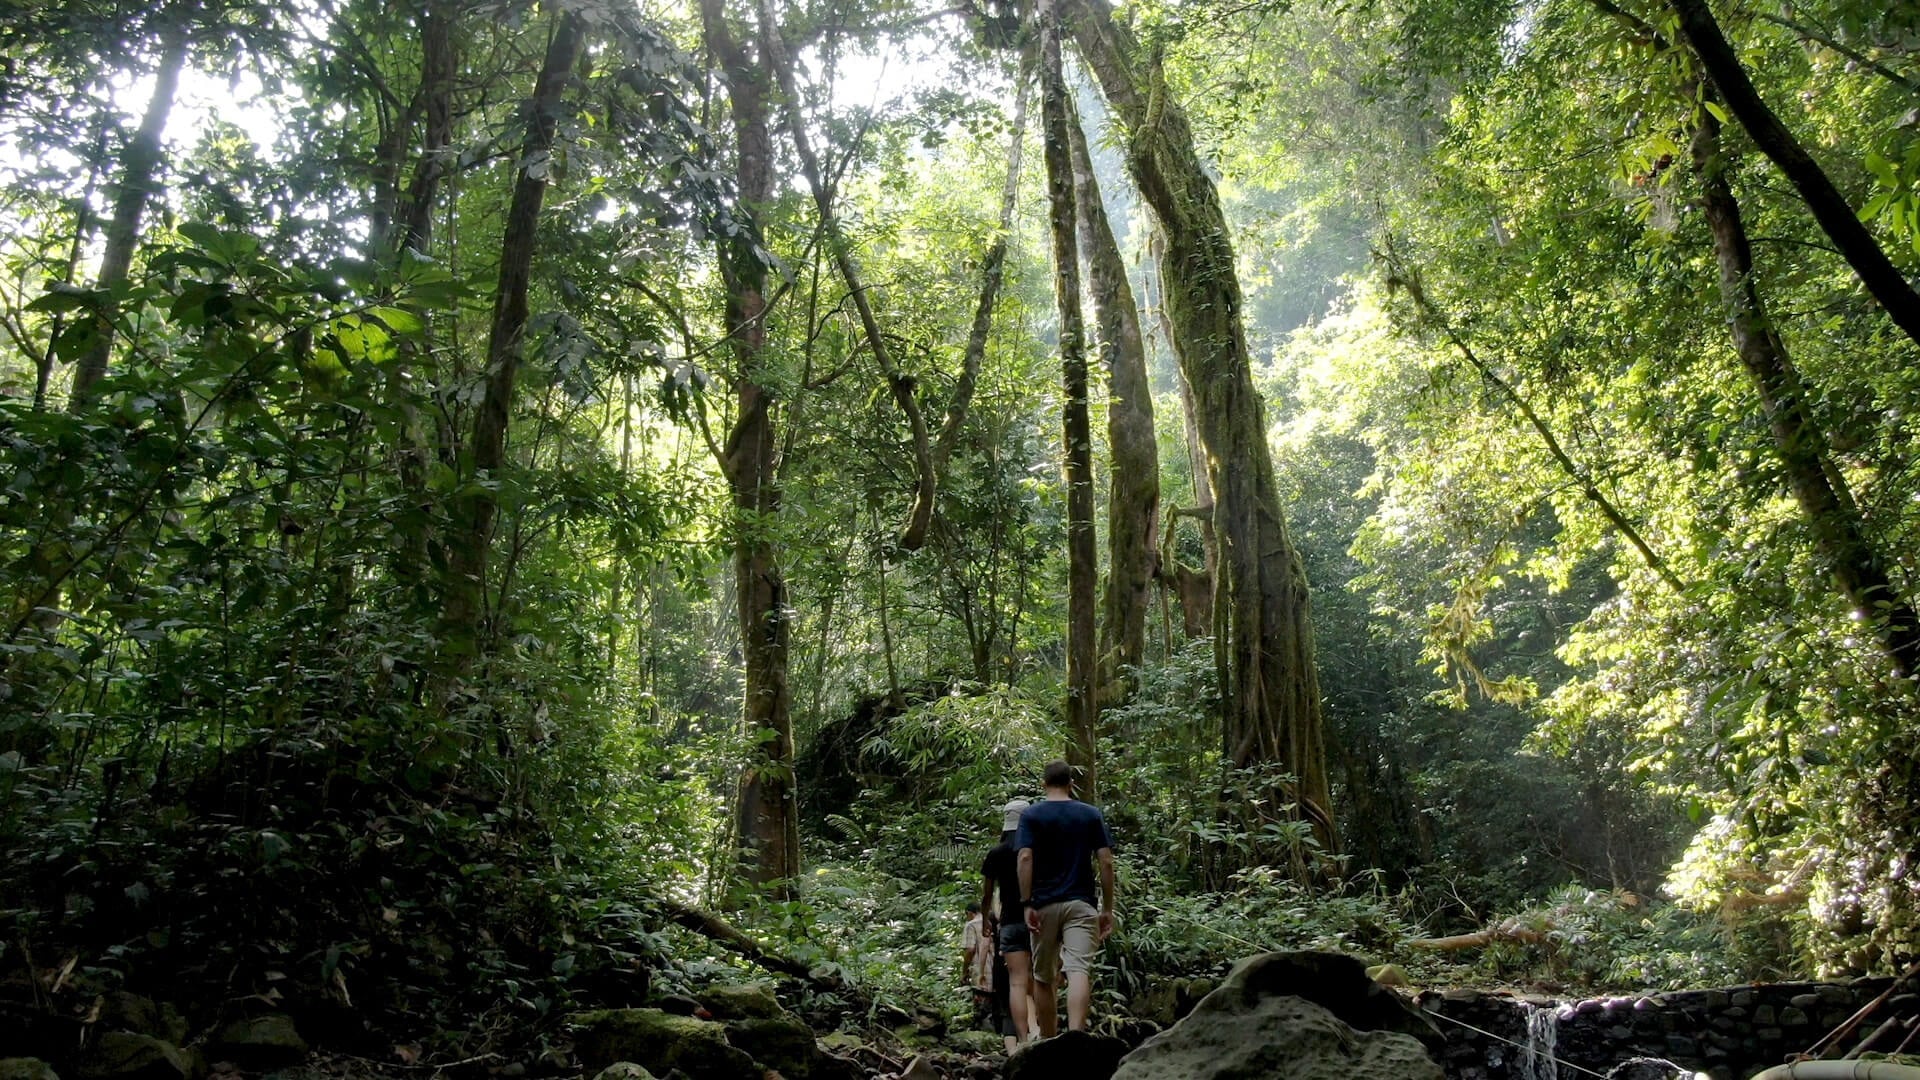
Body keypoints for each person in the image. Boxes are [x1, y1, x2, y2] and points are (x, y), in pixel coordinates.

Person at [1017, 760, 1115, 1036]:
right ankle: (1075, 1036)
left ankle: (1049, 1042)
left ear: (1044, 784)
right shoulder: (1090, 814)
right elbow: (1106, 861)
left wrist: (1027, 904)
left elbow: (1025, 857)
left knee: (1043, 977)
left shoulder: (1032, 815)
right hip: (1081, 904)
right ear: (1071, 784)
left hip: (1043, 904)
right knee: (1078, 969)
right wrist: (1107, 908)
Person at [981, 798, 1035, 1048]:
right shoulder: (1037, 849)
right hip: (1038, 920)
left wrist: (985, 921)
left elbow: (987, 894)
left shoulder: (996, 853)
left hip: (1010, 921)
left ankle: (1022, 1040)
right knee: (1039, 980)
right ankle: (1041, 1033)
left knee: (1016, 981)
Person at [962, 901, 994, 1031]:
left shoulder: (971, 925)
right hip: (999, 970)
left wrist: (964, 972)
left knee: (981, 1006)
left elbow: (970, 950)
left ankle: (984, 1033)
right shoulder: (993, 921)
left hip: (981, 970)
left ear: (970, 913)